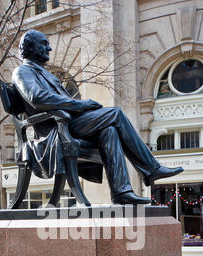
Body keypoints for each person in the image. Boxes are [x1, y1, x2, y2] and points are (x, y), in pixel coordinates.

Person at [12, 30, 183, 205]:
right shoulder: (22, 71)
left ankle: (121, 192)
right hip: (53, 131)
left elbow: (58, 101)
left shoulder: (46, 74)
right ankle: (151, 169)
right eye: (43, 43)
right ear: (31, 47)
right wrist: (81, 105)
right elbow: (37, 97)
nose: (49, 48)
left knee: (109, 131)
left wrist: (83, 109)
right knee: (115, 114)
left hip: (68, 123)